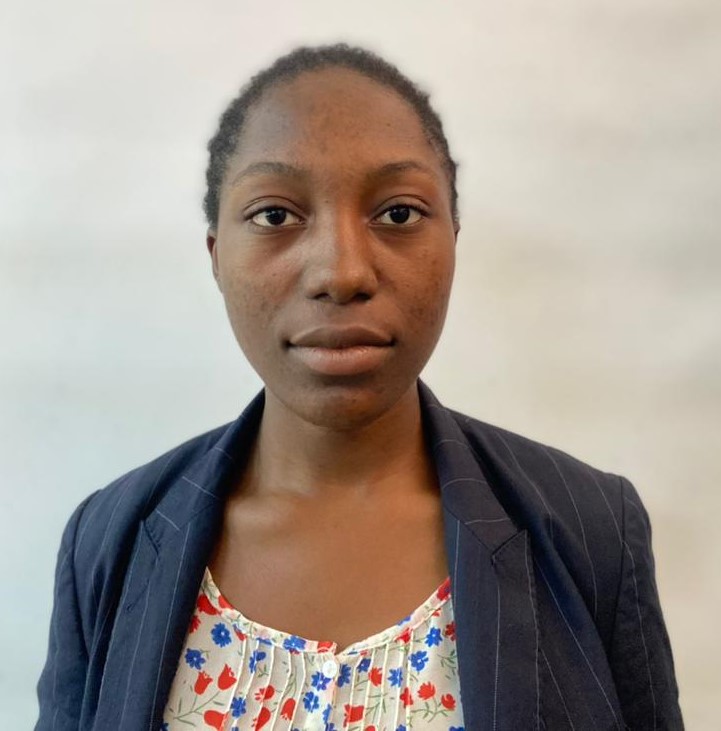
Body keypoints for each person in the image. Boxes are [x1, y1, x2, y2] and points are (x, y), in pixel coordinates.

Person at [35, 44, 683, 731]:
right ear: (217, 256)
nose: (341, 272)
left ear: (453, 241)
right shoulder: (111, 539)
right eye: (275, 215)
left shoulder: (589, 528)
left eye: (397, 214)